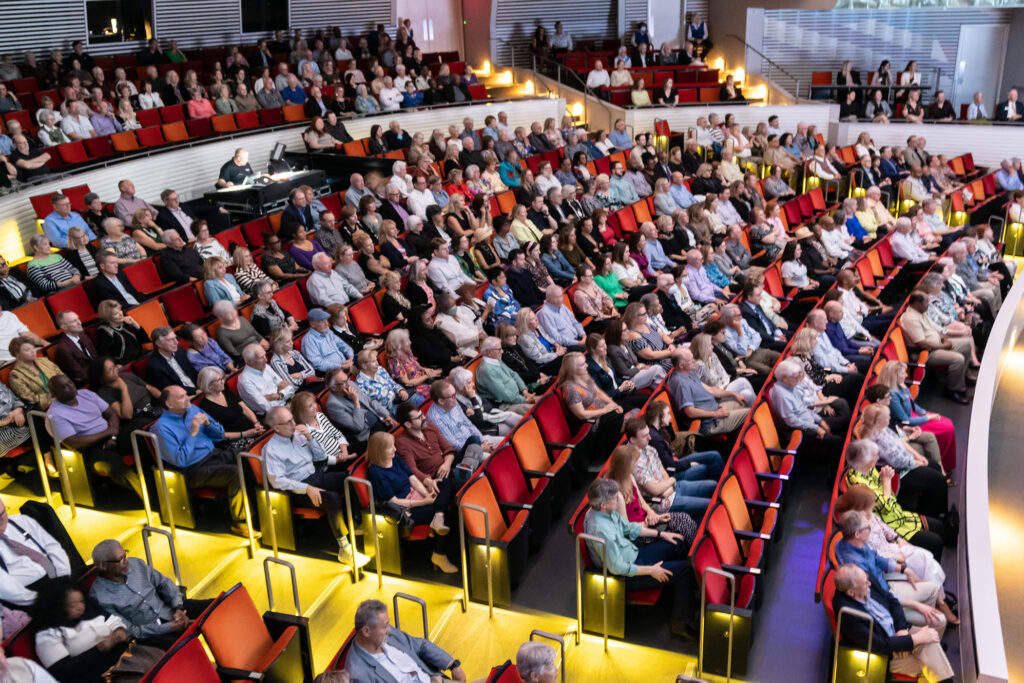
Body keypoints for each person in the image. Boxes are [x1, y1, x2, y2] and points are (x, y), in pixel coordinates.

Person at [583, 478, 697, 639]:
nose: (619, 500)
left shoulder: (604, 511)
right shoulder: (601, 530)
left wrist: (661, 533)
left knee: (677, 542)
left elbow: (629, 528)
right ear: (603, 505)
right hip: (626, 575)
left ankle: (679, 593)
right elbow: (617, 567)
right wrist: (651, 570)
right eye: (615, 498)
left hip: (633, 554)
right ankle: (680, 623)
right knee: (685, 570)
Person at [153, 384, 255, 537]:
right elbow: (180, 460)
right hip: (193, 470)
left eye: (186, 394)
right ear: (169, 404)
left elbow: (219, 435)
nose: (188, 398)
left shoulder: (193, 409)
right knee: (234, 473)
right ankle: (241, 523)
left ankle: (261, 504)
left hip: (214, 454)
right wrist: (192, 434)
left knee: (249, 455)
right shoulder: (161, 428)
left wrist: (208, 424)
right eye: (182, 397)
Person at [262, 405, 360, 564]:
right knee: (332, 498)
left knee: (351, 479)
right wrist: (306, 488)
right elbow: (277, 480)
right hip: (298, 489)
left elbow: (321, 456)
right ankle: (345, 549)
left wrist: (310, 437)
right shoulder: (271, 449)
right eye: (288, 422)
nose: (294, 424)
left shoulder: (300, 434)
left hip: (317, 474)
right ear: (276, 428)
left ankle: (355, 523)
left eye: (293, 419)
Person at [831, 564, 954, 683]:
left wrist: (902, 631)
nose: (869, 584)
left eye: (867, 580)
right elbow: (878, 644)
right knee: (931, 661)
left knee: (931, 646)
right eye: (865, 584)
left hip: (897, 632)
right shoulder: (848, 615)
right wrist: (914, 639)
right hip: (886, 653)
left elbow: (892, 600)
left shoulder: (864, 579)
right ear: (851, 592)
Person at [89, 539, 212, 650]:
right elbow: (131, 631)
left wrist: (178, 607)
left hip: (168, 609)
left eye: (125, 555)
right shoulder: (99, 597)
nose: (126, 561)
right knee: (185, 648)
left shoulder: (136, 564)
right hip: (150, 633)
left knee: (216, 606)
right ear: (103, 566)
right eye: (120, 560)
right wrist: (169, 627)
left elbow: (164, 583)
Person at [364, 432, 458, 574]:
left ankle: (438, 518)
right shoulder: (376, 473)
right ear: (379, 451)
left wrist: (427, 494)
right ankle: (439, 554)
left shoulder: (394, 458)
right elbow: (393, 501)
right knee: (447, 512)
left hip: (417, 493)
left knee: (445, 482)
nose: (395, 450)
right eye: (390, 448)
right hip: (404, 508)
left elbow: (412, 478)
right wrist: (423, 502)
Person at [46, 374, 144, 500]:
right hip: (91, 449)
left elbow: (111, 413)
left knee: (143, 434)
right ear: (54, 394)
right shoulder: (55, 415)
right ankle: (153, 499)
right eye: (64, 386)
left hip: (113, 435)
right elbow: (74, 442)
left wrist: (112, 436)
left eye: (70, 382)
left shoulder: (86, 394)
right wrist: (108, 432)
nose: (70, 387)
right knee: (118, 469)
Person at [845, 439, 945, 560]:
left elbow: (890, 497)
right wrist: (886, 481)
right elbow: (886, 508)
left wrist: (885, 483)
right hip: (889, 526)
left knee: (940, 527)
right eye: (874, 455)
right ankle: (928, 573)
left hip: (898, 515)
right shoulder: (858, 483)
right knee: (936, 542)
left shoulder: (868, 469)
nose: (878, 457)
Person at [344, 598, 466, 681]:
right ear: (366, 631)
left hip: (431, 679)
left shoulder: (383, 634)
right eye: (385, 626)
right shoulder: (358, 673)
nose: (389, 630)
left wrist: (453, 665)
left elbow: (420, 645)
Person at [31, 579, 129, 681]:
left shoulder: (89, 608)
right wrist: (98, 649)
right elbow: (62, 672)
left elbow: (114, 621)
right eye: (73, 605)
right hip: (96, 676)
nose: (80, 607)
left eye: (81, 601)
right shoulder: (47, 634)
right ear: (57, 607)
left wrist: (120, 630)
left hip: (123, 658)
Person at [899, 292, 972, 404]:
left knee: (966, 344)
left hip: (937, 345)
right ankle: (955, 390)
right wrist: (943, 345)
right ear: (917, 303)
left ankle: (961, 377)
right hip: (925, 353)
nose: (928, 304)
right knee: (958, 359)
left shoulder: (921, 312)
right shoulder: (910, 319)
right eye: (926, 302)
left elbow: (936, 329)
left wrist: (944, 339)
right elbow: (922, 344)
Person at [0, 498, 71, 608]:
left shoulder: (22, 521)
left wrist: (63, 579)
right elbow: (7, 589)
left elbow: (53, 548)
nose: (1, 519)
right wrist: (42, 599)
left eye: (2, 514)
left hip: (57, 579)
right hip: (29, 598)